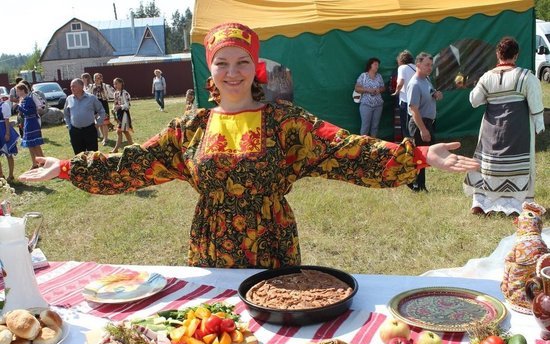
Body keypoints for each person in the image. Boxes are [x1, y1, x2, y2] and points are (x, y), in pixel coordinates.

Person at [19, 22, 479, 270]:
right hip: (210, 246)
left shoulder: (284, 122)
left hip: (273, 245)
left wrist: (417, 155)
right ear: (211, 68)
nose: (232, 71)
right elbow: (134, 163)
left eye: (242, 62)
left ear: (255, 67)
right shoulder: (191, 127)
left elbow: (344, 149)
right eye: (223, 63)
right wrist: (67, 168)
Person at [464, 37, 544, 216]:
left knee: (488, 164)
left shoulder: (487, 77)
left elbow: (474, 101)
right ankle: (517, 204)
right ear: (515, 55)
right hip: (517, 129)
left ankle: (482, 202)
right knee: (518, 164)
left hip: (491, 130)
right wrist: (539, 126)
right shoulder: (526, 76)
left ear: (498, 54)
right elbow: (536, 105)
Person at [406, 52, 443, 192]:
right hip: (419, 124)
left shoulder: (426, 80)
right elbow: (414, 109)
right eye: (427, 65)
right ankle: (416, 185)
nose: (430, 67)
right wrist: (422, 129)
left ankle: (419, 184)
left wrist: (436, 94)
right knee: (420, 156)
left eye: (431, 65)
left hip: (428, 123)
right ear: (418, 65)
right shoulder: (414, 84)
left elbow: (430, 92)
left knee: (425, 155)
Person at [63, 78, 105, 155]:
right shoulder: (69, 99)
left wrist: (98, 123)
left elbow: (102, 111)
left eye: (74, 86)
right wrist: (69, 126)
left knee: (92, 156)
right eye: (71, 86)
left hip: (90, 130)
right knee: (79, 156)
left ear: (81, 86)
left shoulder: (91, 98)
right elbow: (66, 114)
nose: (71, 88)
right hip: (75, 132)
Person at [15, 83, 44, 169]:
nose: (17, 93)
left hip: (32, 122)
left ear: (23, 90)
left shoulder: (29, 99)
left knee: (36, 144)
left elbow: (31, 112)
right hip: (27, 122)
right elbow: (24, 113)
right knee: (30, 144)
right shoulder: (23, 100)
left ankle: (44, 162)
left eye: (18, 91)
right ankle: (35, 164)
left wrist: (20, 108)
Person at [354, 57, 385, 136]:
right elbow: (357, 88)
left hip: (378, 105)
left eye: (378, 65)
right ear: (370, 65)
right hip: (366, 105)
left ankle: (373, 145)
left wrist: (379, 90)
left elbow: (383, 88)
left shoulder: (379, 76)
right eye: (375, 64)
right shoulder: (363, 76)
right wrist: (368, 90)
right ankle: (362, 145)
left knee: (375, 126)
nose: (377, 66)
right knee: (365, 126)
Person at [392, 50, 416, 139]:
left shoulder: (402, 68)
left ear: (401, 60)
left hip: (406, 101)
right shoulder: (417, 68)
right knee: (415, 124)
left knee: (406, 126)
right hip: (418, 102)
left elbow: (401, 81)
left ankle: (408, 146)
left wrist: (396, 91)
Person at [90, 73, 114, 146]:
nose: (97, 79)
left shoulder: (106, 86)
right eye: (95, 78)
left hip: (103, 103)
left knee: (105, 122)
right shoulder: (91, 87)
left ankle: (106, 138)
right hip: (95, 104)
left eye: (98, 78)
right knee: (99, 122)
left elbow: (113, 93)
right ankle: (104, 137)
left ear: (101, 79)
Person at [112, 77, 134, 153]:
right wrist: (114, 109)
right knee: (122, 131)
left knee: (122, 131)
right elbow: (115, 103)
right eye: (114, 84)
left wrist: (120, 106)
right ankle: (132, 146)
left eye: (116, 83)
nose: (115, 85)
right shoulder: (115, 93)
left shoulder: (125, 93)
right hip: (119, 114)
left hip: (124, 113)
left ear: (121, 83)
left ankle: (116, 149)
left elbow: (128, 105)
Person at [0, 94, 18, 181]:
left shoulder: (4, 105)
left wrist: (7, 133)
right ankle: (1, 175)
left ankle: (11, 175)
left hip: (3, 130)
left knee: (8, 153)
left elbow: (7, 120)